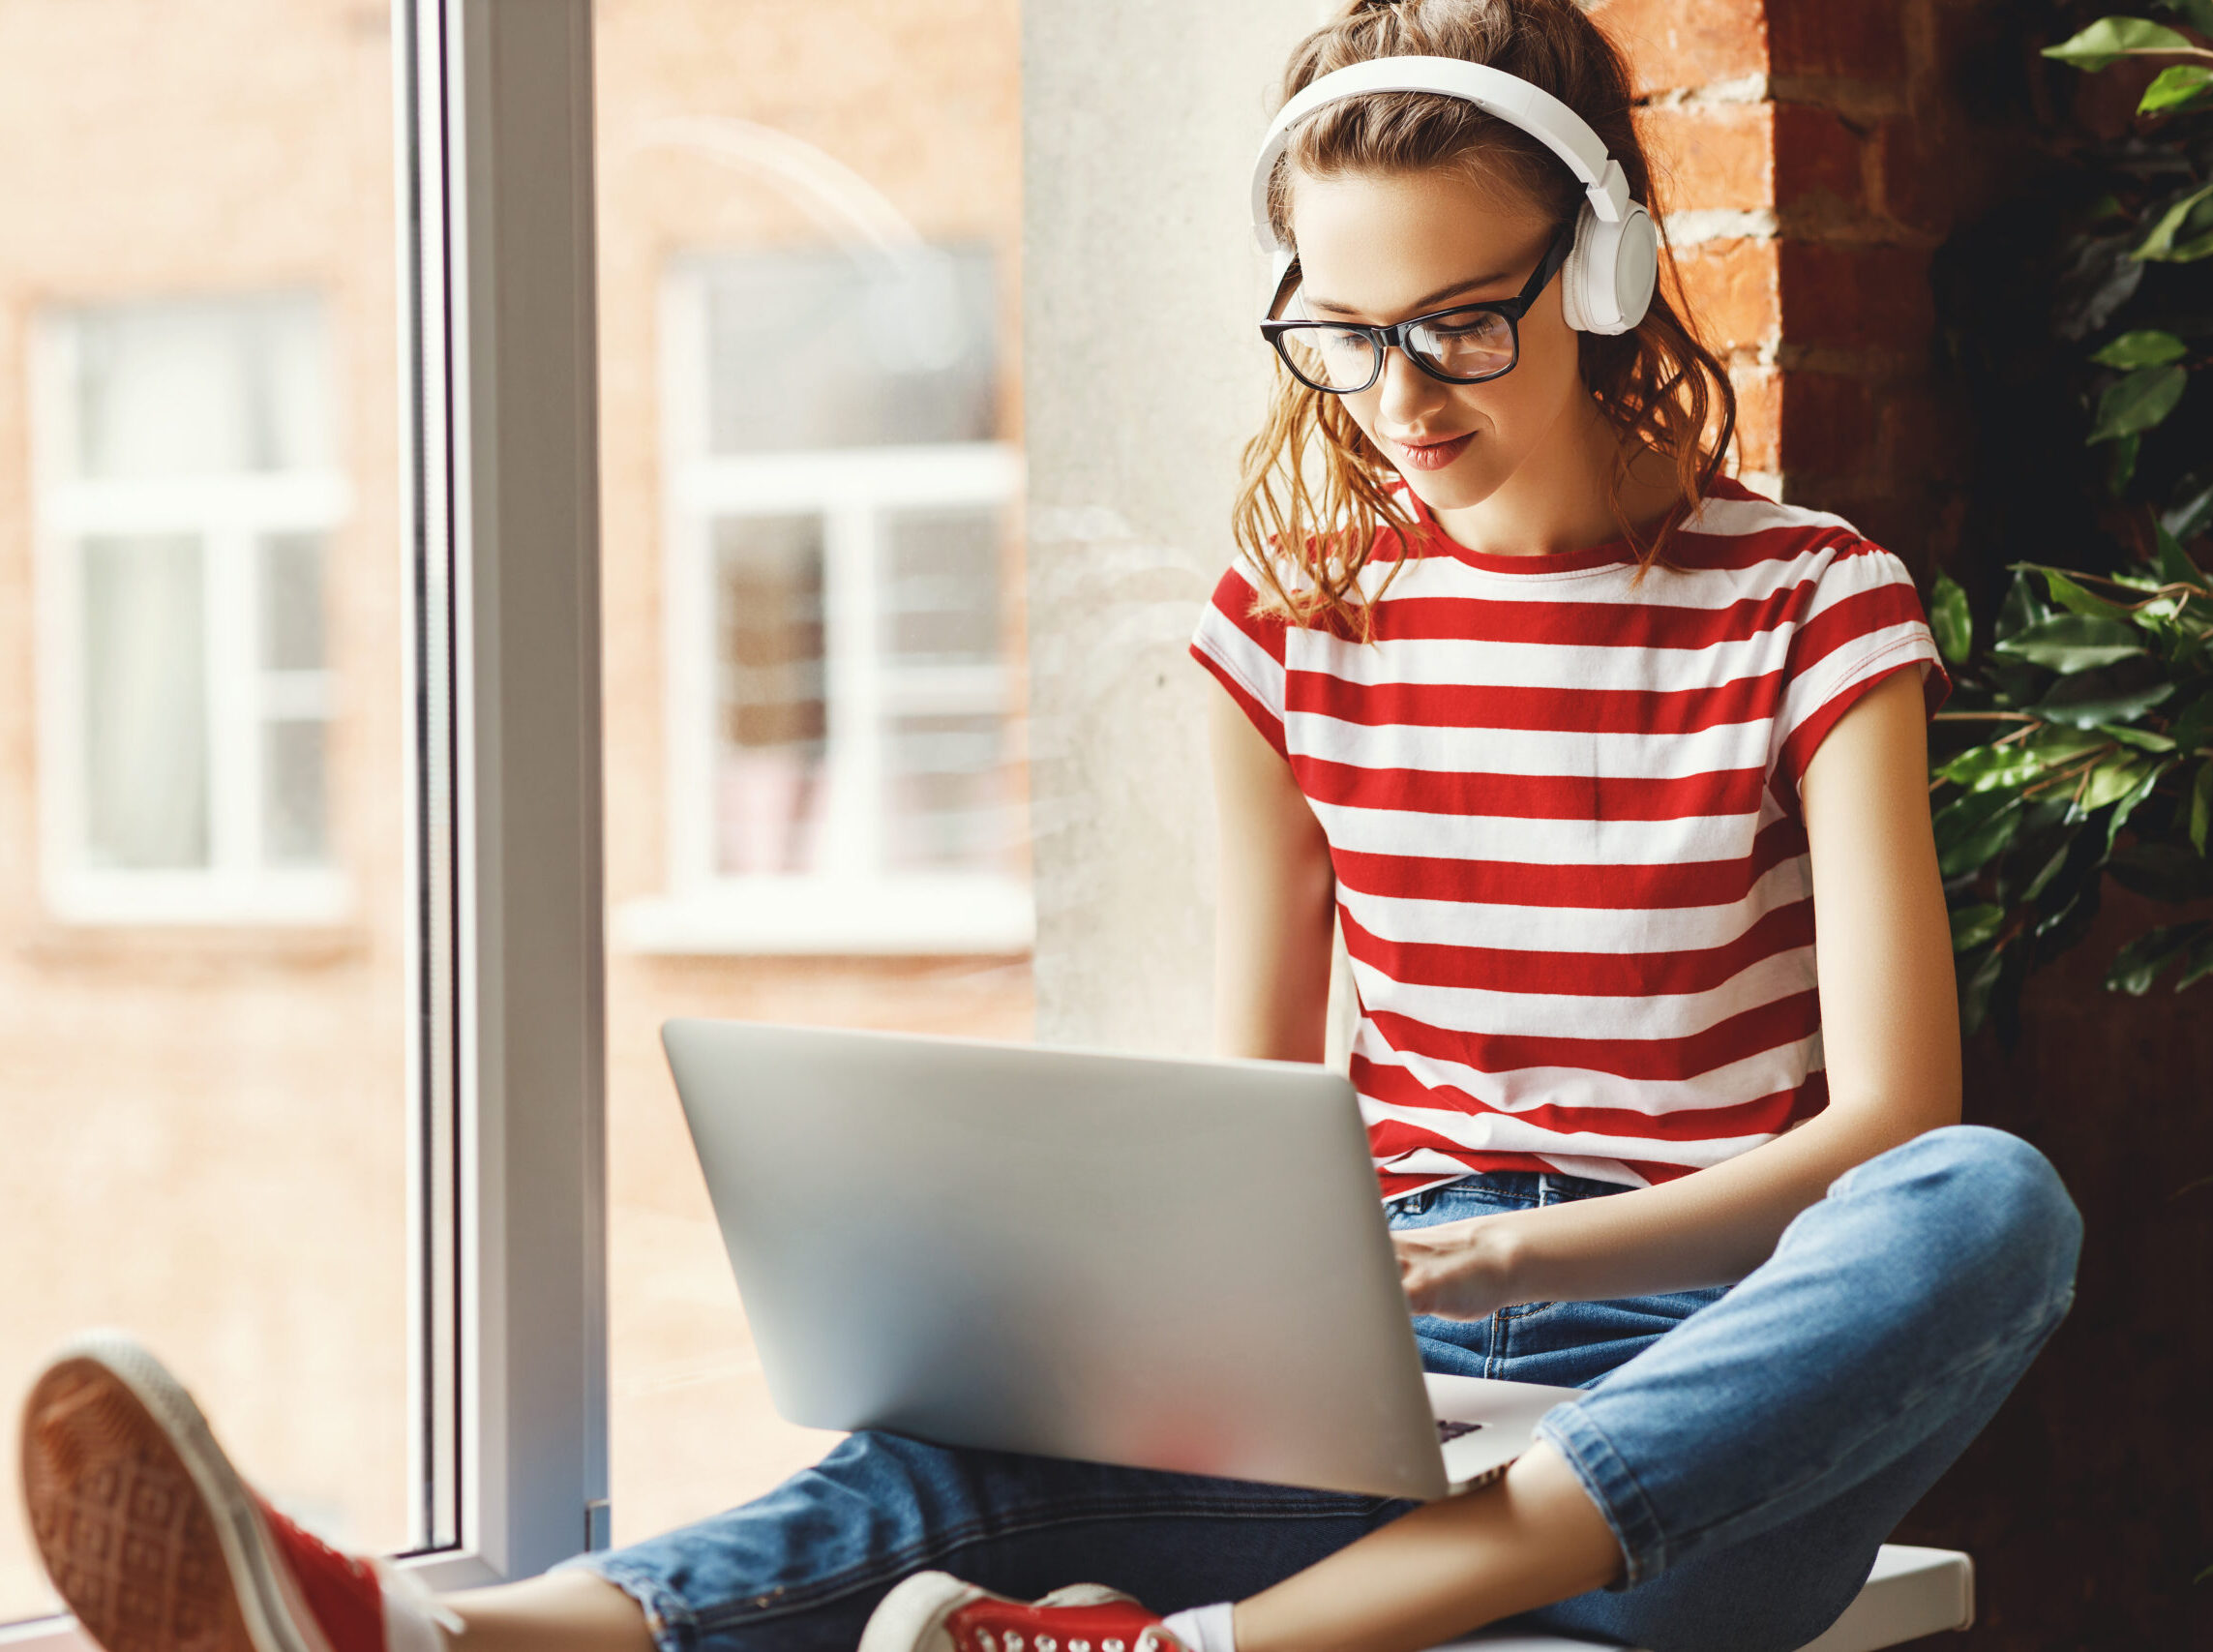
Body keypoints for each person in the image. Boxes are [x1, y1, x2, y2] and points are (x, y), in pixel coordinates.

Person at [15, 4, 2082, 1652]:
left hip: (1707, 1429)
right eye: (1346, 331)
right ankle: (428, 1634)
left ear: (1612, 263)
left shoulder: (1809, 600)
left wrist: (1510, 1250)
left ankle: (1247, 1640)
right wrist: (1205, 1302)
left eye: (1467, 318)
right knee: (937, 1450)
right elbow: (1258, 1113)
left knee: (1993, 1200)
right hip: (1378, 1386)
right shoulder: (1287, 623)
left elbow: (1889, 1128)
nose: (1402, 390)